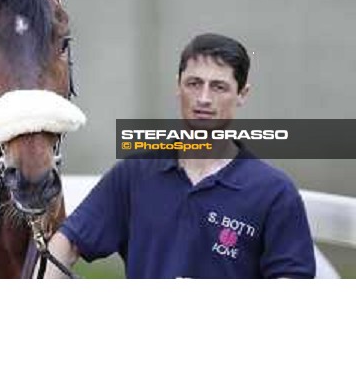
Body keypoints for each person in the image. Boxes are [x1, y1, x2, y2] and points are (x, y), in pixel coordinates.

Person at [42, 33, 316, 279]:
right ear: (178, 85)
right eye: (194, 83)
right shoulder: (136, 172)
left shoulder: (274, 192)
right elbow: (69, 242)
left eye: (219, 87)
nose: (204, 98)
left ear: (242, 94)